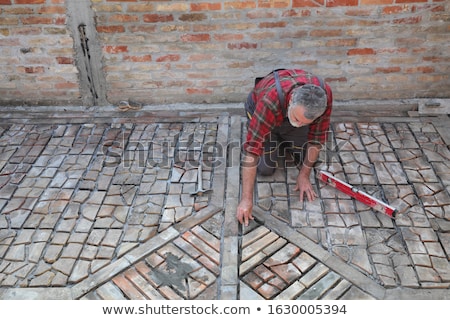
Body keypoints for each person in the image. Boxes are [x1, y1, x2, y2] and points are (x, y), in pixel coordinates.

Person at [236, 69, 333, 226]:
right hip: (261, 111)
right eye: (297, 118)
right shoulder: (269, 101)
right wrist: (246, 200)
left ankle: (284, 134)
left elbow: (316, 140)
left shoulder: (324, 96)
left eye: (305, 123)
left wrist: (304, 175)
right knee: (265, 168)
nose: (299, 125)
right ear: (292, 99)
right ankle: (270, 133)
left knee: (308, 158)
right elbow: (252, 152)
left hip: (284, 115)